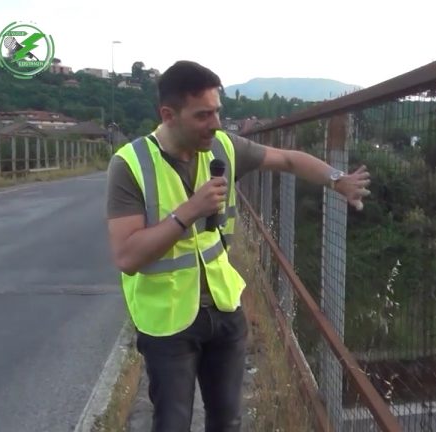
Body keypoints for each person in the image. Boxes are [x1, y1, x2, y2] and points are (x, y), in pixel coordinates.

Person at [105, 60, 371, 432]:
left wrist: (336, 179)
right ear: (168, 115)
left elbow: (288, 159)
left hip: (224, 307)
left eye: (217, 111)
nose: (215, 123)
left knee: (228, 421)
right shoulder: (130, 165)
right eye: (203, 115)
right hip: (166, 321)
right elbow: (127, 256)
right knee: (172, 424)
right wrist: (190, 211)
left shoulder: (224, 148)